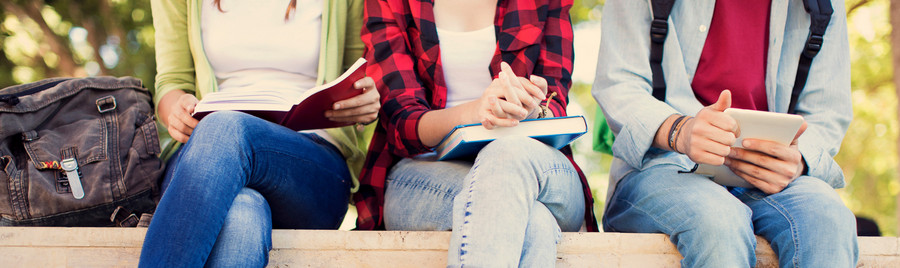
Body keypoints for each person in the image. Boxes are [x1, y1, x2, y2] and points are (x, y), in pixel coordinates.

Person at [593, 0, 858, 267]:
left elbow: (826, 111)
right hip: (660, 164)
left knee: (828, 219)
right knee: (718, 221)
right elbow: (619, 84)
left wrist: (797, 161)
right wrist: (680, 131)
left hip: (770, 178)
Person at [353, 0, 597, 266]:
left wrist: (532, 110)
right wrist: (475, 112)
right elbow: (402, 122)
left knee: (505, 154)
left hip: (534, 165)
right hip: (426, 168)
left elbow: (555, 101)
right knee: (533, 221)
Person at [140, 0, 376, 266]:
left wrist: (366, 99)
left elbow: (358, 74)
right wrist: (176, 110)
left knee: (225, 127)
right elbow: (172, 82)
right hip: (208, 155)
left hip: (309, 167)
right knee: (243, 210)